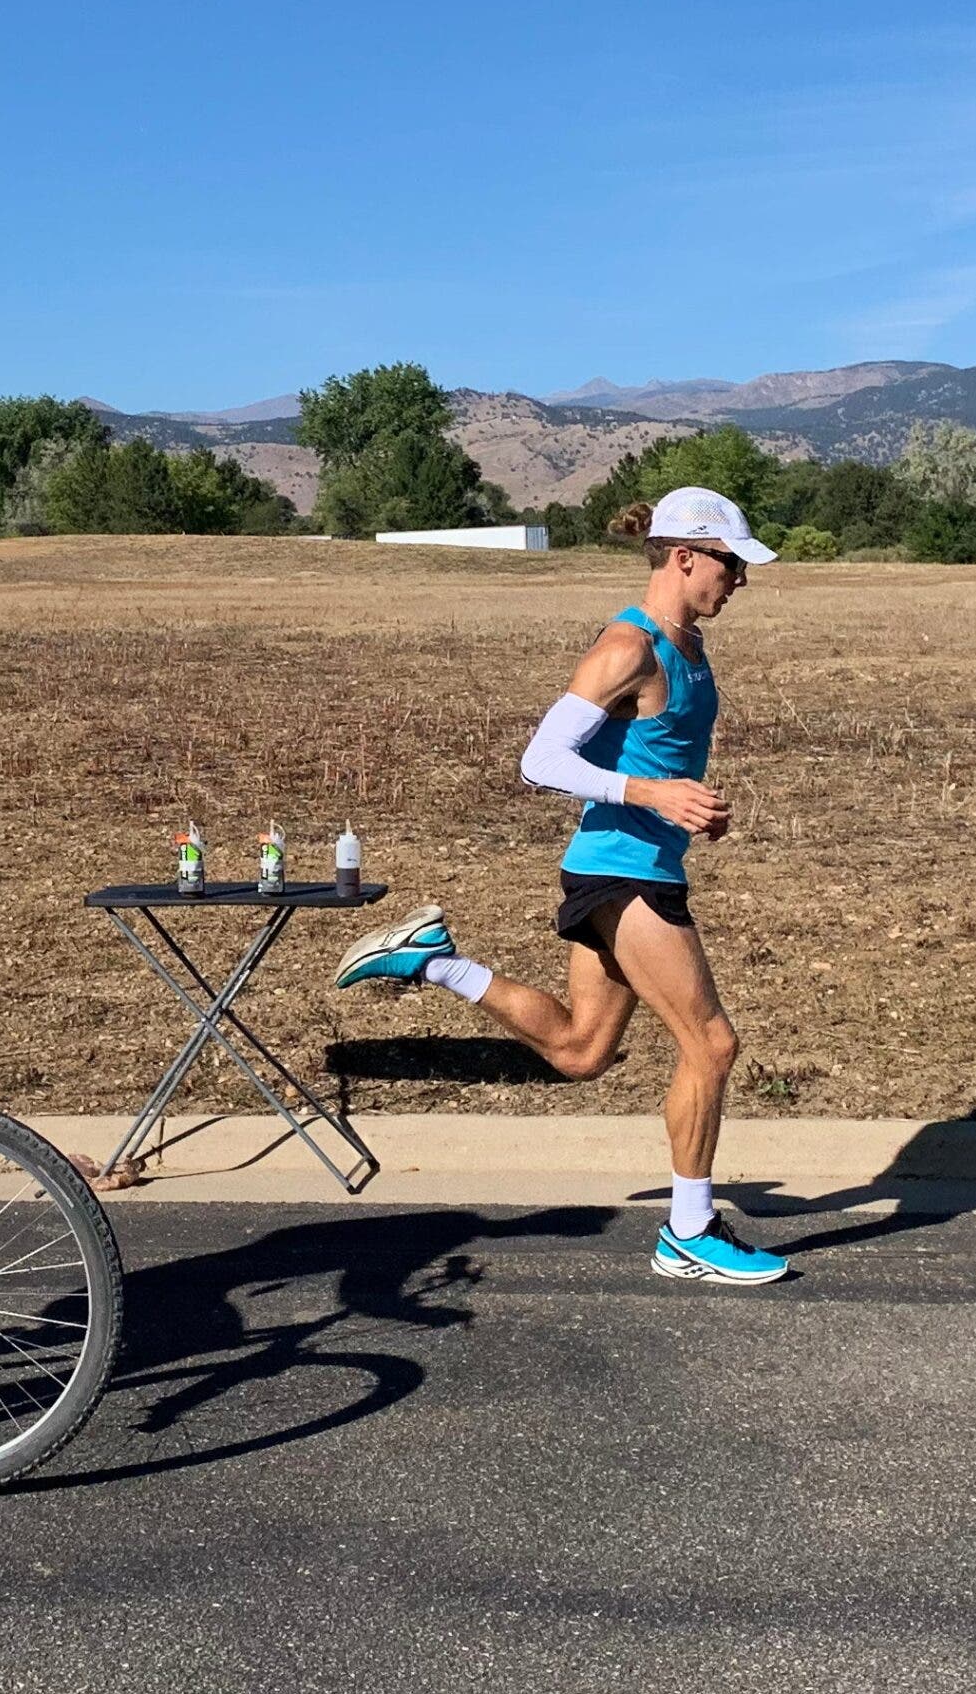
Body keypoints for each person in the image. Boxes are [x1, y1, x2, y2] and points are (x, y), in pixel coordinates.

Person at [333, 486, 787, 1285]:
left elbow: (655, 754)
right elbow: (539, 761)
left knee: (581, 1051)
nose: (740, 579)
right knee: (712, 1044)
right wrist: (653, 795)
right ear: (685, 557)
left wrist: (687, 806)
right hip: (621, 873)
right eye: (731, 563)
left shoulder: (688, 646)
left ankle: (435, 960)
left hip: (638, 865)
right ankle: (689, 1232)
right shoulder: (629, 647)